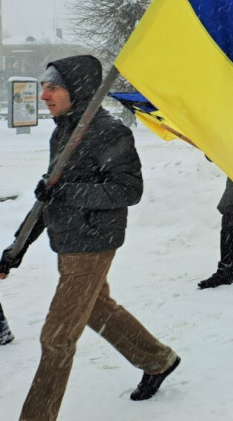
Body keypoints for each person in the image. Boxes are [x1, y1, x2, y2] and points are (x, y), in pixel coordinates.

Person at [0, 55, 180, 420]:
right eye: (44, 87)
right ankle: (158, 360)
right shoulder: (63, 131)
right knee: (97, 310)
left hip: (93, 244)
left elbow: (128, 190)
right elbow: (49, 196)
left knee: (57, 338)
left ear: (76, 90)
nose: (44, 94)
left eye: (53, 87)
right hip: (67, 240)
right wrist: (16, 249)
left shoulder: (109, 132)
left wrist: (68, 192)